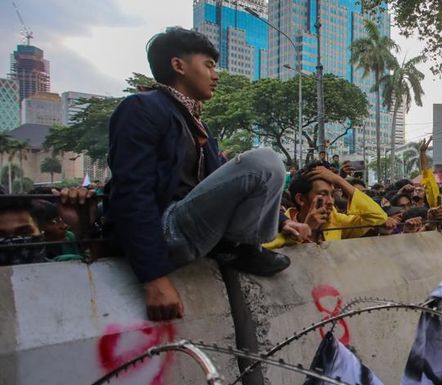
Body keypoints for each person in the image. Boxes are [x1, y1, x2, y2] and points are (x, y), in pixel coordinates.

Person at [107, 27, 309, 322]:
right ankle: (239, 247)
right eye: (209, 65)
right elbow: (130, 193)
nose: (216, 74)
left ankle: (240, 247)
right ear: (179, 65)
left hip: (194, 231)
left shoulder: (196, 124)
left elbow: (218, 186)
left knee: (258, 166)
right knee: (264, 159)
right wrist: (153, 277)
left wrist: (282, 221)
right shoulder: (141, 108)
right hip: (166, 231)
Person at [266, 163, 387, 245]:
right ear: (301, 199)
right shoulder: (276, 226)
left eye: (332, 194)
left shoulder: (337, 222)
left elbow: (379, 217)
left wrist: (339, 180)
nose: (331, 202)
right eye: (323, 194)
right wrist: (306, 229)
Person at [0, 197, 47, 266]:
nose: (11, 244)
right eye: (1, 236)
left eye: (24, 233)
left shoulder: (61, 271)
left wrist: (69, 219)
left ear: (41, 231)